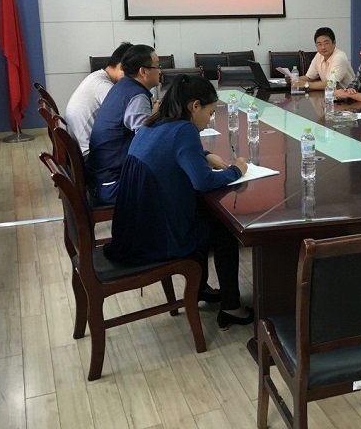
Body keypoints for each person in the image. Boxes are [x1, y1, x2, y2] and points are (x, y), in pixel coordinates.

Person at [104, 75, 253, 329]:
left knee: (203, 216)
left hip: (132, 231)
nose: (210, 119)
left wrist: (203, 154)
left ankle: (201, 288)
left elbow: (166, 150)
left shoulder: (155, 121)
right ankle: (231, 307)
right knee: (224, 231)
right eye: (210, 112)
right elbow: (203, 182)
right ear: (195, 106)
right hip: (155, 240)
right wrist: (237, 170)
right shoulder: (185, 130)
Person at [86, 44, 161, 206]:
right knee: (176, 181)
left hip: (100, 179)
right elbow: (148, 144)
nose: (160, 71)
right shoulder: (137, 96)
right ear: (143, 71)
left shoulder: (122, 87)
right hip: (112, 185)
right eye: (157, 66)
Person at [65, 42, 133, 155]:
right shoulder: (102, 85)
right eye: (132, 71)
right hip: (88, 154)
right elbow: (129, 114)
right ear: (121, 67)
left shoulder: (97, 76)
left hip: (81, 146)